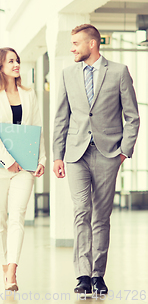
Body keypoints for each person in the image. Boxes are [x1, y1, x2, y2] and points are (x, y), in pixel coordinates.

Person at [52, 24, 140, 295]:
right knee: (81, 211)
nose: (72, 48)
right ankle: (82, 274)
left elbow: (132, 116)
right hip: (76, 155)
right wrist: (57, 155)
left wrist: (124, 150)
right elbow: (60, 118)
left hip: (108, 153)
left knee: (101, 215)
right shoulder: (67, 74)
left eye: (76, 43)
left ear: (93, 44)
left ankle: (98, 274)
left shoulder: (118, 72)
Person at [0, 47, 46, 291]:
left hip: (25, 166)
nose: (16, 64)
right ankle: (3, 266)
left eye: (17, 60)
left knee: (17, 216)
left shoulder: (29, 94)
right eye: (11, 61)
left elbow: (37, 127)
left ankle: (12, 272)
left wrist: (41, 159)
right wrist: (7, 160)